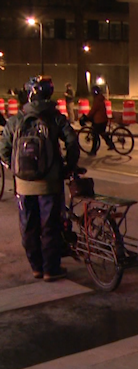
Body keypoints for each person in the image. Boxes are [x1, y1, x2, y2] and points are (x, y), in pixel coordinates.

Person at [0, 76, 79, 282]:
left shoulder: (17, 118)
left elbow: (4, 149)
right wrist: (68, 166)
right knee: (50, 226)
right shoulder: (55, 117)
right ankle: (50, 269)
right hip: (50, 182)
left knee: (28, 225)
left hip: (23, 184)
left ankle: (36, 266)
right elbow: (72, 140)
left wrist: (15, 167)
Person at [85, 84, 115, 155]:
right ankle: (111, 144)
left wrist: (87, 116)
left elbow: (93, 110)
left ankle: (93, 151)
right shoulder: (101, 98)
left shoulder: (97, 100)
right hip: (104, 119)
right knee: (102, 133)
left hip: (99, 121)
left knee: (95, 135)